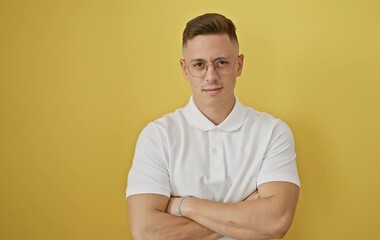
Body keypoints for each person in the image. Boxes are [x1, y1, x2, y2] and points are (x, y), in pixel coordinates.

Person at [126, 13, 300, 240]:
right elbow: (146, 231)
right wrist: (243, 213)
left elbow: (275, 222)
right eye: (199, 64)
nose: (211, 76)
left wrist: (184, 206)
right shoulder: (157, 136)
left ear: (239, 64)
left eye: (222, 63)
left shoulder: (273, 132)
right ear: (184, 68)